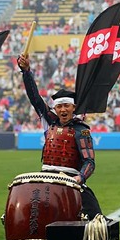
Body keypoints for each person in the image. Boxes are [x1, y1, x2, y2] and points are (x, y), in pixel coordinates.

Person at [17, 54, 102, 220]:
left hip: (70, 179)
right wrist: (26, 72)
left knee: (95, 218)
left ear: (73, 107)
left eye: (66, 106)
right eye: (59, 106)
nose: (63, 110)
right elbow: (35, 99)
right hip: (46, 176)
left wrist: (80, 177)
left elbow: (89, 161)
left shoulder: (81, 130)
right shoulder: (49, 121)